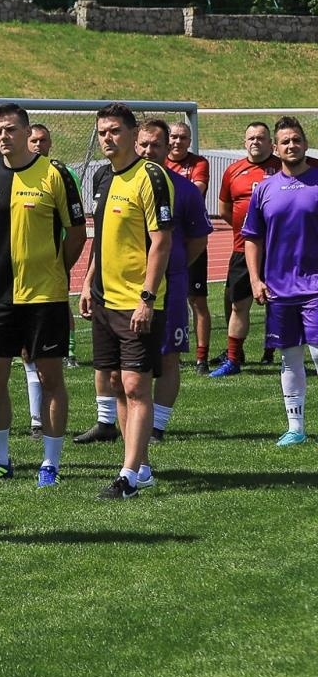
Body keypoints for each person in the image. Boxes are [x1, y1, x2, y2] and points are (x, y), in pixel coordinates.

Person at [0, 103, 86, 488]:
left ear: (25, 131)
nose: (3, 137)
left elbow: (77, 234)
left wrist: (54, 269)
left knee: (50, 375)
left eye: (10, 130)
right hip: (0, 296)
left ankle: (50, 463)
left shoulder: (55, 174)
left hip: (45, 295)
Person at [80, 103, 173, 499]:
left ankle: (128, 477)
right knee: (117, 383)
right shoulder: (102, 176)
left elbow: (162, 241)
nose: (107, 138)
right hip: (104, 300)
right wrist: (87, 282)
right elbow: (101, 239)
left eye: (115, 130)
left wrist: (147, 299)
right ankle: (141, 466)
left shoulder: (151, 176)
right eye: (102, 131)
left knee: (136, 385)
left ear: (133, 134)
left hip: (137, 302)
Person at [240, 116, 318, 447]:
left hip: (315, 287)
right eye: (285, 141)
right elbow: (252, 238)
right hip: (279, 290)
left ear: (305, 143)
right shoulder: (266, 189)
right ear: (276, 148)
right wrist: (256, 279)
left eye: (296, 140)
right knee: (289, 357)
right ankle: (296, 428)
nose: (291, 146)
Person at [135, 120, 212, 447]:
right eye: (144, 145)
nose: (149, 151)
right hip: (123, 285)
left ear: (169, 150)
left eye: (156, 145)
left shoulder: (183, 189)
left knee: (167, 356)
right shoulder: (119, 183)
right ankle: (112, 420)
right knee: (125, 362)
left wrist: (174, 266)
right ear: (135, 145)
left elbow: (198, 239)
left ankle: (158, 427)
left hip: (171, 285)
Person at [212, 122, 278, 377]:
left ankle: (277, 351)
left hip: (277, 249)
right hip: (243, 248)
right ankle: (233, 359)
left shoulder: (282, 167)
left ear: (270, 142)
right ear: (244, 141)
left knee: (282, 303)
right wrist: (247, 230)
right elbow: (226, 210)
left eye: (261, 138)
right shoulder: (233, 171)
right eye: (251, 137)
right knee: (238, 303)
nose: (255, 142)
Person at [163, 121, 213, 373]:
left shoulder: (198, 162)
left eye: (183, 137)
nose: (177, 142)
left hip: (189, 241)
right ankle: (169, 349)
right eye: (173, 137)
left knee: (197, 300)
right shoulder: (159, 162)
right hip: (163, 245)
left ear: (189, 139)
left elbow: (197, 190)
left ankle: (201, 357)